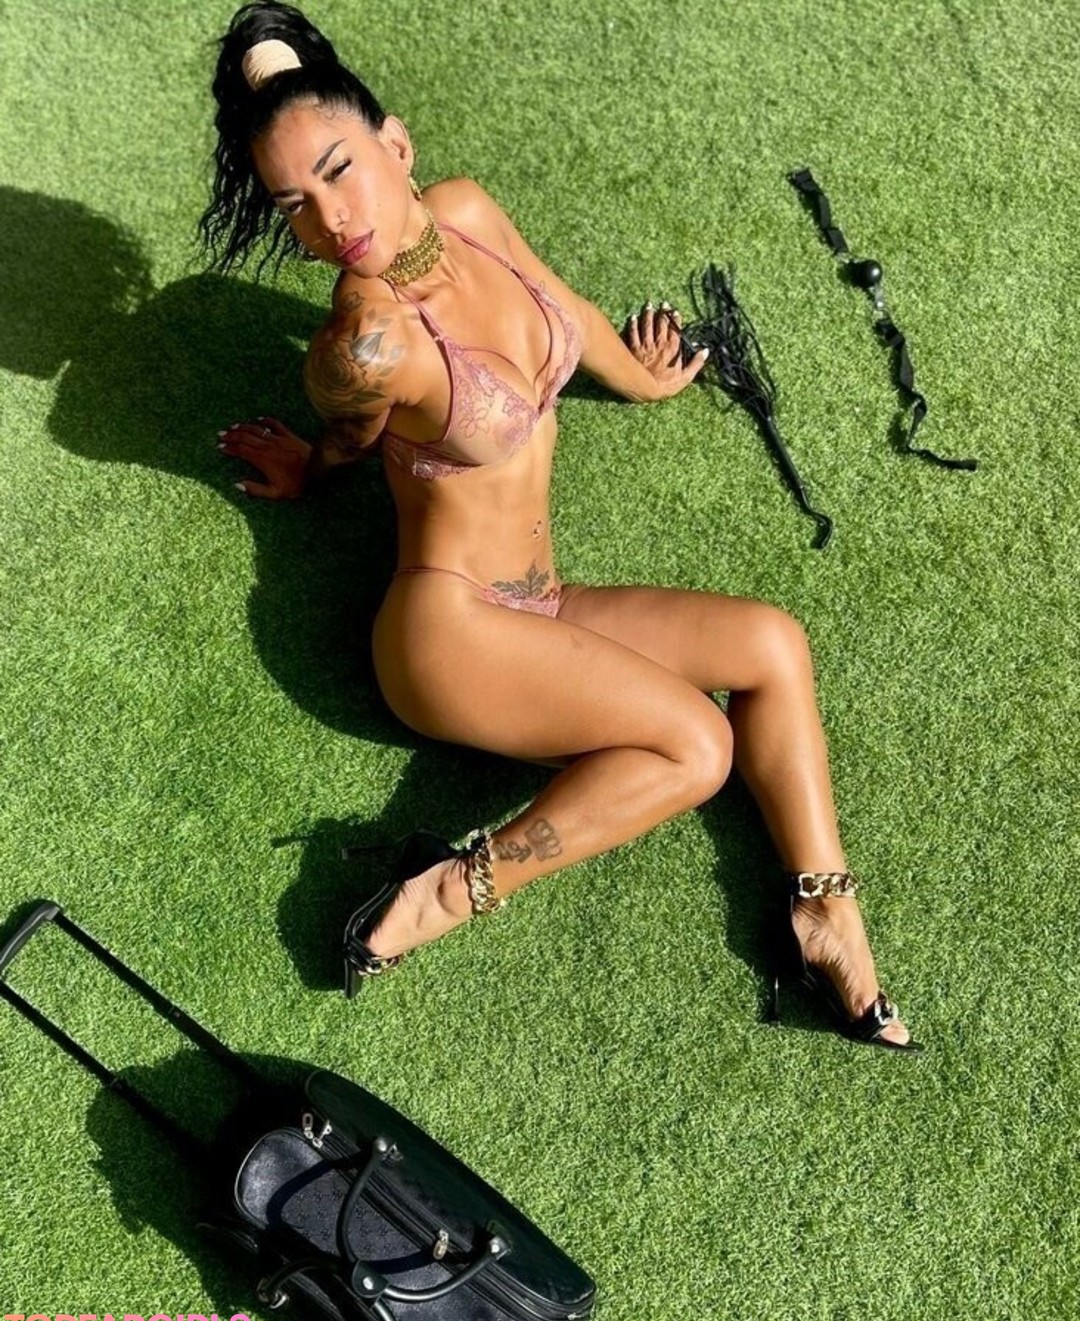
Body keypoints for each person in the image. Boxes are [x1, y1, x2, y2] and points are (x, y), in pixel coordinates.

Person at [204, 0, 916, 1049]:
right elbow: (350, 433)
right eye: (294, 205)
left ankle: (824, 909)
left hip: (537, 599)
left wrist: (643, 378)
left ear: (396, 145)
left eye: (340, 169)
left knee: (772, 643)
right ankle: (449, 889)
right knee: (698, 745)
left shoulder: (466, 212)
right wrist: (306, 470)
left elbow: (565, 310)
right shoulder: (370, 342)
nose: (330, 218)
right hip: (447, 633)